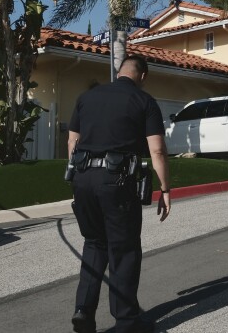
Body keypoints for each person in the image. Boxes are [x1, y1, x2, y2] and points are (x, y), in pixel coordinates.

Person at [67, 54, 172, 333]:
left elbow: (72, 141)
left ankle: (83, 311)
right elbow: (157, 150)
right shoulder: (144, 101)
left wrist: (77, 178)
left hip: (83, 178)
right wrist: (165, 188)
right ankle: (126, 322)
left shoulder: (87, 97)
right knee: (124, 250)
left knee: (94, 244)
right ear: (143, 76)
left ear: (119, 70)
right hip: (117, 180)